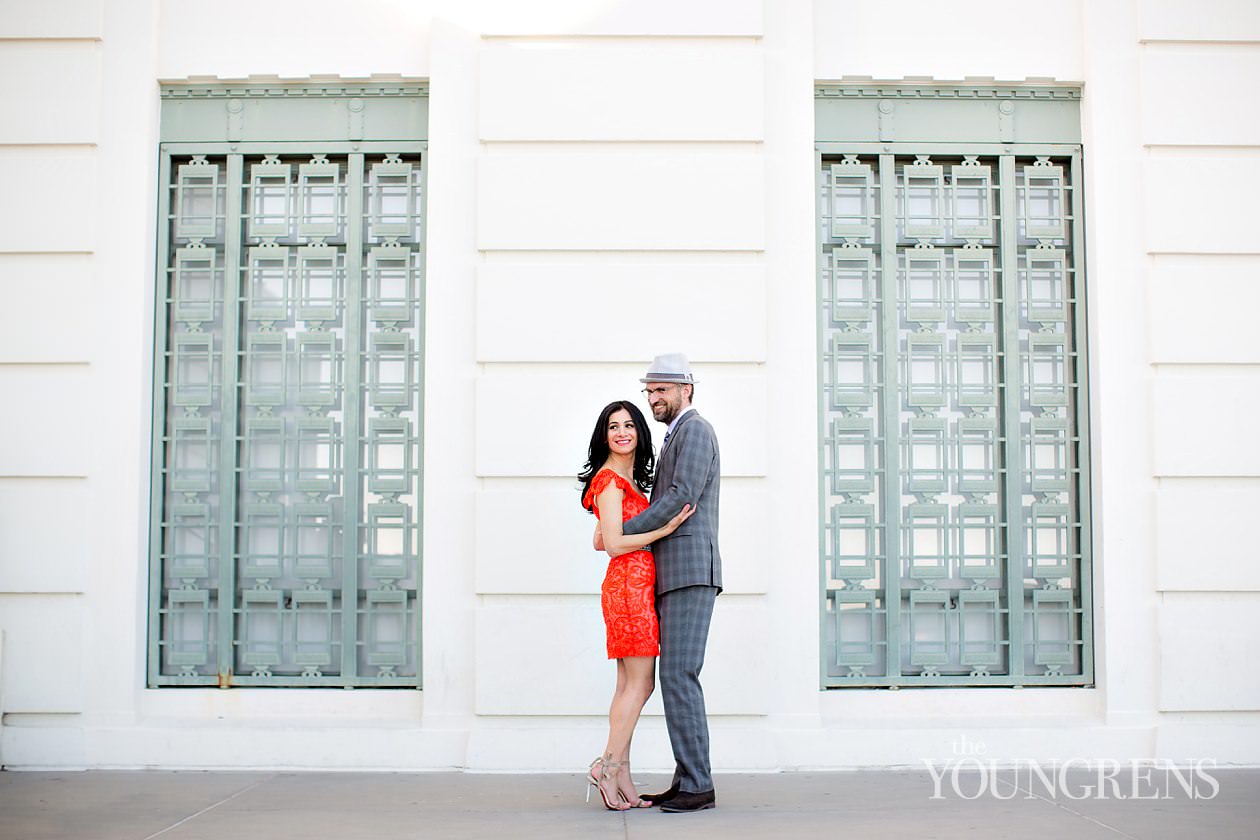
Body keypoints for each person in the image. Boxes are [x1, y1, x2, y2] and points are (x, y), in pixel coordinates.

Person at [579, 399, 694, 811]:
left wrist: (637, 531)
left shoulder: (625, 482)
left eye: (629, 425)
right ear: (604, 435)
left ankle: (622, 772)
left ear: (639, 434)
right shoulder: (610, 480)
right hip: (628, 589)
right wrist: (665, 527)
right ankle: (607, 766)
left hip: (632, 587)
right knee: (641, 684)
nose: (622, 432)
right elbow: (611, 545)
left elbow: (599, 537)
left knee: (628, 685)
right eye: (613, 427)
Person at [622, 352, 722, 813]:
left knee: (680, 675)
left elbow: (683, 496)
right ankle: (687, 779)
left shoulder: (696, 429)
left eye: (662, 389)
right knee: (676, 676)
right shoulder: (675, 435)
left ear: (687, 389)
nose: (654, 397)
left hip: (689, 573)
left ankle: (699, 785)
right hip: (674, 574)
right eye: (650, 390)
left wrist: (626, 530)